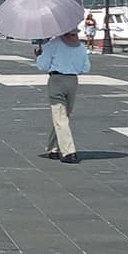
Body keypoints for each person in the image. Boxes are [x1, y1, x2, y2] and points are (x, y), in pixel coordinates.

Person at [34, 30, 91, 164]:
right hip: (73, 81)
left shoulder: (52, 44)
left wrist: (39, 55)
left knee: (59, 116)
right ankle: (53, 148)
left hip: (57, 80)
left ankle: (68, 151)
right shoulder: (81, 47)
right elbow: (86, 68)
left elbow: (42, 66)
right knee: (63, 116)